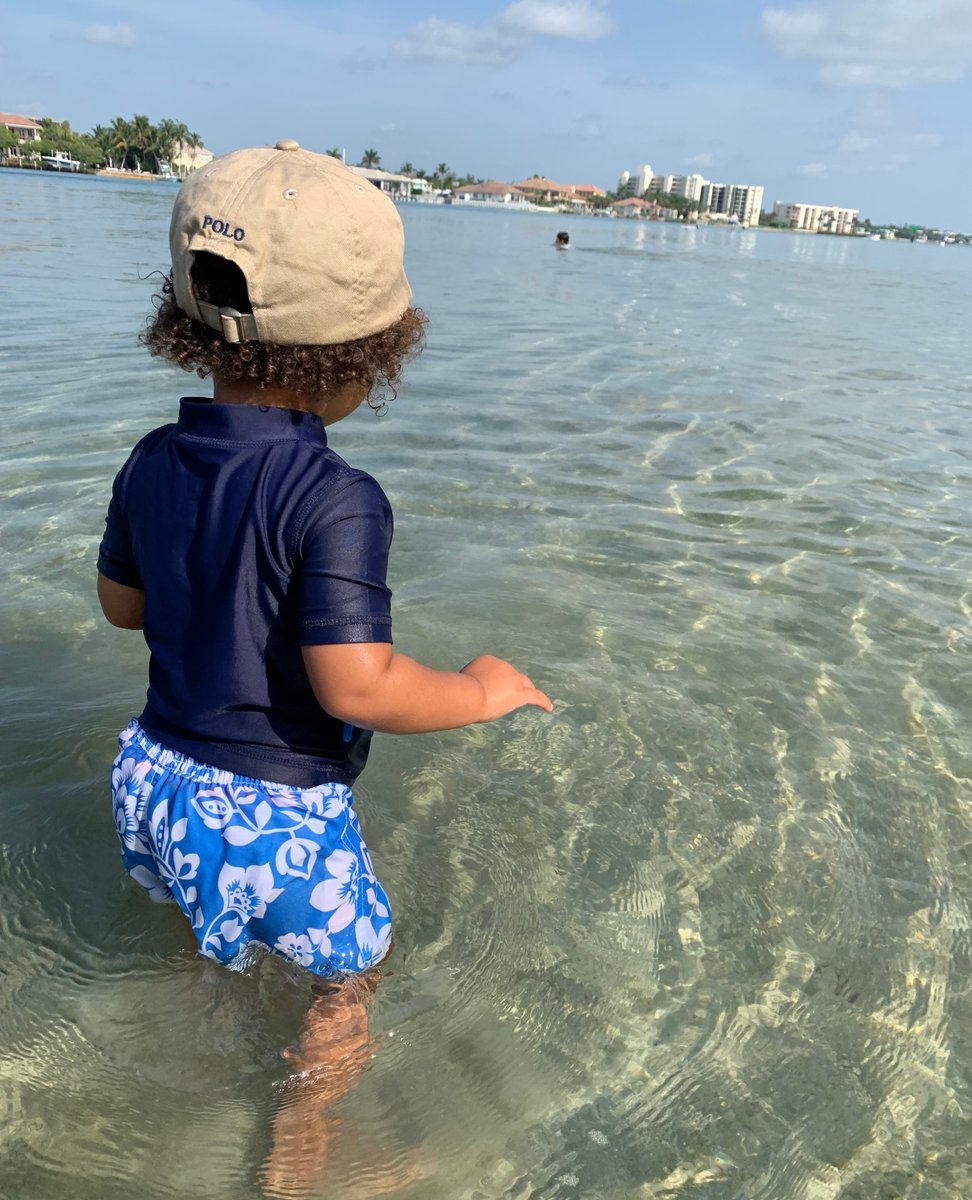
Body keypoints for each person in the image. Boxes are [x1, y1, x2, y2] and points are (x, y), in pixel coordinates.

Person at [96, 139, 552, 1191]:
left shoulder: (150, 460)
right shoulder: (337, 498)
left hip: (153, 780)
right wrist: (483, 691)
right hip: (276, 812)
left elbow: (123, 609)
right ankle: (302, 1154)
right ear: (368, 354)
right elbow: (360, 687)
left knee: (209, 933)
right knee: (350, 980)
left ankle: (204, 1029)